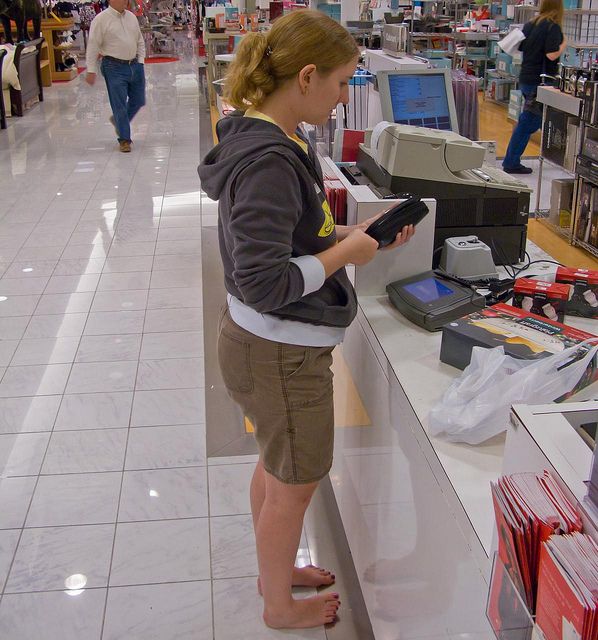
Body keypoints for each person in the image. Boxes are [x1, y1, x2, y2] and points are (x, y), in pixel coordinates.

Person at [198, 10, 415, 631]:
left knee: (274, 467)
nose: (346, 96)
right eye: (343, 82)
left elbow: (293, 234)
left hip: (258, 345)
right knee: (294, 483)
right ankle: (276, 606)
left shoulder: (262, 135)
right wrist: (347, 255)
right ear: (308, 75)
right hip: (280, 352)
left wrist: (352, 234)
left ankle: (278, 571)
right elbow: (266, 281)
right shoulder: (270, 158)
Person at [502, 0, 566, 174]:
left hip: (526, 77)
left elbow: (520, 46)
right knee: (528, 122)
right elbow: (551, 55)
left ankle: (511, 160)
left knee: (528, 120)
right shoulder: (552, 27)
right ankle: (511, 162)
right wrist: (563, 46)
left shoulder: (531, 24)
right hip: (540, 82)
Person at [85, 0, 146, 153]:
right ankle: (124, 139)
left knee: (138, 100)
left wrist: (141, 61)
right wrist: (91, 69)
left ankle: (118, 122)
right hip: (113, 67)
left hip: (135, 65)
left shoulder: (131, 17)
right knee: (119, 104)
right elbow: (93, 45)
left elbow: (140, 40)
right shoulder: (101, 20)